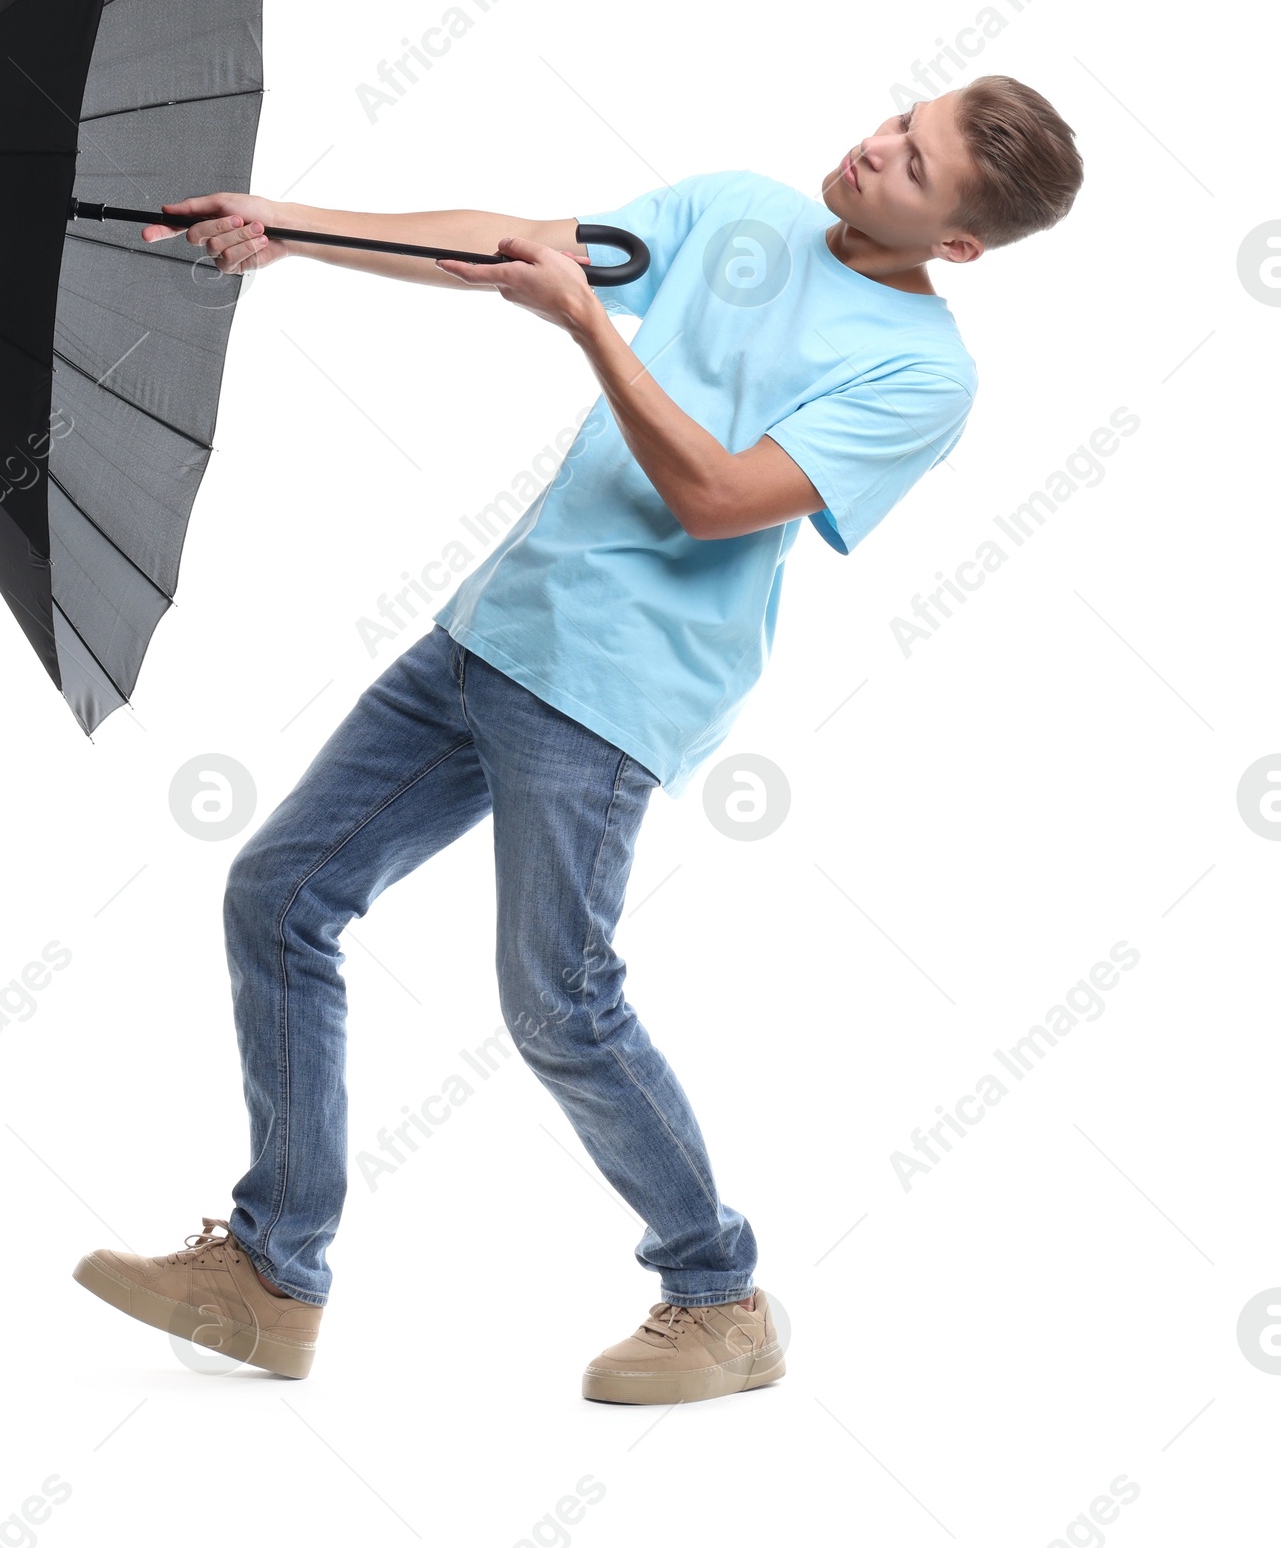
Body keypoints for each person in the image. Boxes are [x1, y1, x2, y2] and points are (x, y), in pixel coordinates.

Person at [73, 75, 1083, 1403]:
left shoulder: (922, 374)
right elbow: (515, 245)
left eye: (914, 166)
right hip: (496, 627)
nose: (878, 145)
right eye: (903, 117)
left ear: (957, 243)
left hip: (610, 687)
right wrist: (289, 227)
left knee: (557, 999)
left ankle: (718, 1294)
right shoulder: (743, 208)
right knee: (279, 893)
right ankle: (270, 1271)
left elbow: (721, 498)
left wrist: (596, 337)